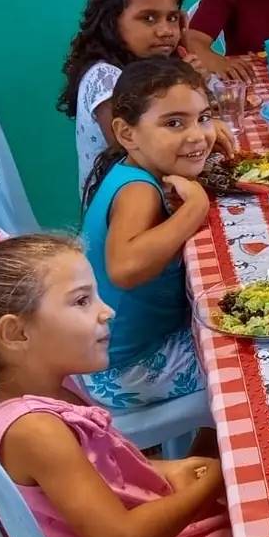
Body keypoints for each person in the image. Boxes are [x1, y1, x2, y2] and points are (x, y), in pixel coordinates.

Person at [0, 233, 244, 537]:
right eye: (82, 301)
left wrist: (171, 470)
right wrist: (209, 484)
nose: (107, 311)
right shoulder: (34, 430)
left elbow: (110, 469)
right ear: (15, 333)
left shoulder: (56, 389)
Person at [80, 59, 215, 409]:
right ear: (127, 134)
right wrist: (195, 208)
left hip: (114, 354)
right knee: (252, 361)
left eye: (204, 118)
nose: (197, 135)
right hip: (129, 370)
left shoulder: (135, 169)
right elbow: (124, 268)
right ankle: (213, 443)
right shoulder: (137, 189)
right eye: (173, 123)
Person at [58, 0, 232, 196]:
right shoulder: (106, 77)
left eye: (172, 18)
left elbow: (215, 106)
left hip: (163, 188)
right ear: (111, 21)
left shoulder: (158, 67)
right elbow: (136, 157)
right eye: (149, 19)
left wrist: (191, 65)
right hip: (126, 208)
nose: (166, 31)